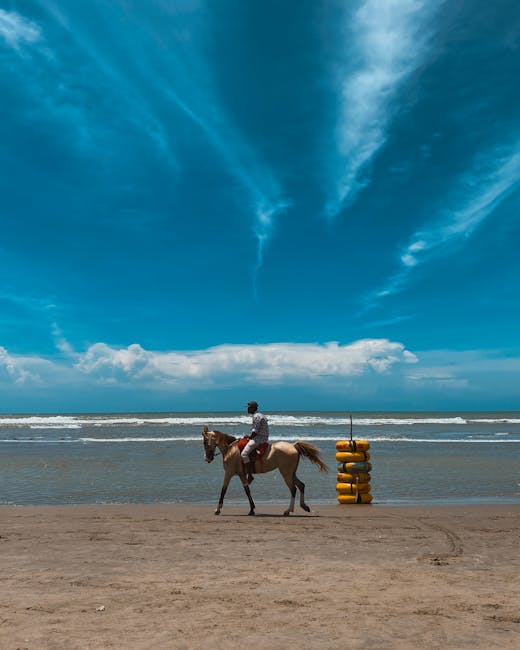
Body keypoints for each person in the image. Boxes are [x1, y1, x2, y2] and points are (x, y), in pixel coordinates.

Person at [241, 401, 269, 485]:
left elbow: (255, 431)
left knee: (244, 454)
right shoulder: (260, 415)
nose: (247, 409)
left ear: (253, 408)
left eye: (249, 407)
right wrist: (249, 436)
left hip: (260, 438)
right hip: (262, 436)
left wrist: (249, 437)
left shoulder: (256, 416)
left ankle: (250, 475)